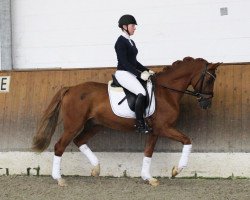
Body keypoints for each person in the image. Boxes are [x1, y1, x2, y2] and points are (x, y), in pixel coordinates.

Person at [114, 14, 154, 134]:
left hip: (130, 72)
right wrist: (139, 74)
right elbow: (125, 63)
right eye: (133, 26)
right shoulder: (120, 42)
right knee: (141, 92)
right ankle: (140, 124)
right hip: (123, 73)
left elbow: (134, 62)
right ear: (125, 26)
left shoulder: (130, 41)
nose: (134, 28)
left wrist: (146, 70)